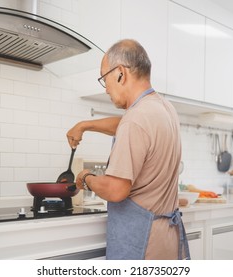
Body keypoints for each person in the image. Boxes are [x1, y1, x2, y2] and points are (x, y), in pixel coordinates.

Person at [66, 39, 190, 260]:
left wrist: (86, 177)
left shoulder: (136, 119)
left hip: (142, 244)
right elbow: (131, 128)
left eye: (105, 79)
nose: (106, 89)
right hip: (166, 240)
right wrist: (86, 125)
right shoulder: (163, 108)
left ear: (120, 73)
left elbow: (116, 189)